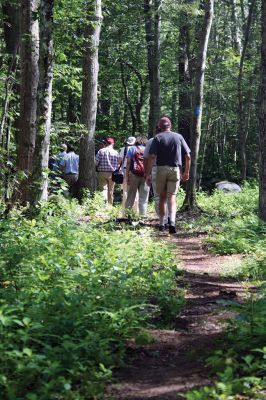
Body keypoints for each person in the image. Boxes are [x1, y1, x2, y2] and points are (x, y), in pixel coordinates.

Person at [145, 116, 191, 234]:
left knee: (162, 197)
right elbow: (188, 156)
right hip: (175, 170)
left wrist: (147, 173)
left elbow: (152, 157)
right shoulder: (178, 136)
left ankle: (161, 224)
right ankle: (172, 222)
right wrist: (186, 172)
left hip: (160, 169)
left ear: (160, 127)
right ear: (170, 125)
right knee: (172, 197)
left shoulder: (157, 137)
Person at [143, 131, 169, 226]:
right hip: (171, 168)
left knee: (158, 196)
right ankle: (170, 218)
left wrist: (147, 174)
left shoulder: (151, 140)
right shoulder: (173, 138)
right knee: (170, 195)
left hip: (156, 169)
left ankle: (163, 219)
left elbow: (146, 158)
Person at [125, 136, 150, 217]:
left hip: (134, 174)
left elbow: (128, 162)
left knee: (131, 196)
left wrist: (127, 176)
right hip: (146, 175)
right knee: (144, 198)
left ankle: (128, 216)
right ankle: (142, 216)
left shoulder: (132, 149)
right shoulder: (148, 149)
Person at [95, 137, 119, 204]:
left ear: (105, 143)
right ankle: (110, 205)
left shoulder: (101, 151)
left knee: (103, 189)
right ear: (113, 143)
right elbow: (118, 164)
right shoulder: (116, 152)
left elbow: (96, 162)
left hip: (102, 172)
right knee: (111, 190)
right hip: (112, 174)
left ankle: (103, 204)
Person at [118, 136, 138, 213]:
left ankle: (125, 210)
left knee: (125, 191)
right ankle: (136, 210)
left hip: (124, 171)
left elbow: (119, 161)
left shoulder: (123, 149)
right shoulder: (137, 149)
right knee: (135, 191)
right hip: (134, 171)